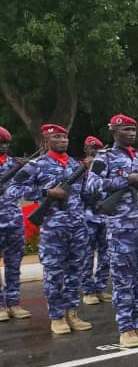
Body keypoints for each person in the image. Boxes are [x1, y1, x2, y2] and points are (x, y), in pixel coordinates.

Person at [85, 114, 138, 347]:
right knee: (123, 279)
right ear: (114, 132)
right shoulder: (104, 157)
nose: (131, 133)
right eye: (126, 129)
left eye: (134, 130)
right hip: (122, 227)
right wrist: (124, 179)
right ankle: (126, 328)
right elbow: (92, 186)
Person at [20, 124, 91, 334]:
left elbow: (84, 194)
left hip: (77, 226)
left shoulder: (74, 164)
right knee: (54, 272)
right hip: (53, 227)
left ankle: (72, 312)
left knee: (75, 271)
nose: (63, 140)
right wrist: (46, 192)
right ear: (46, 141)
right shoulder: (37, 165)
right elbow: (17, 187)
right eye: (58, 137)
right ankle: (57, 317)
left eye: (65, 137)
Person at [0, 126, 30, 321]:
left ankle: (13, 302)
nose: (3, 147)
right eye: (0, 143)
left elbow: (27, 190)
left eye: (5, 144)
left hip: (13, 220)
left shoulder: (14, 164)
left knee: (13, 263)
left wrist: (26, 169)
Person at [80, 136, 112, 305]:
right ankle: (87, 290)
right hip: (87, 217)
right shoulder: (79, 168)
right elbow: (80, 193)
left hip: (104, 216)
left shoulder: (102, 166)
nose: (94, 153)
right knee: (87, 255)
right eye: (91, 149)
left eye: (98, 150)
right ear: (85, 149)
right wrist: (85, 171)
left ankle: (100, 287)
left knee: (105, 254)